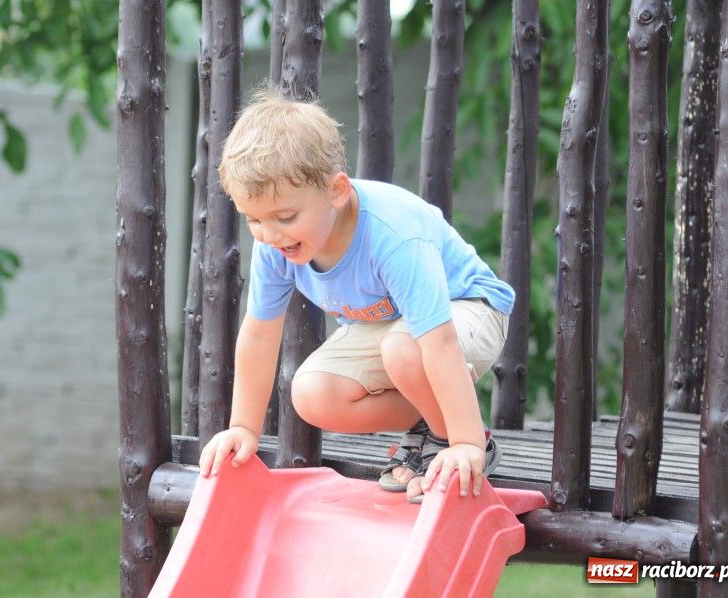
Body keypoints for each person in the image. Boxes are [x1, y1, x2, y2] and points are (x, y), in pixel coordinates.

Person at [198, 87, 513, 503]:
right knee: (312, 394)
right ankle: (429, 419)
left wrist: (466, 443)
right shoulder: (276, 246)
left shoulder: (394, 235)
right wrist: (243, 427)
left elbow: (436, 341)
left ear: (337, 190)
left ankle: (455, 440)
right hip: (394, 331)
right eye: (252, 219)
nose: (269, 235)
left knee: (406, 348)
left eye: (285, 217)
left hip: (469, 311)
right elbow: (259, 334)